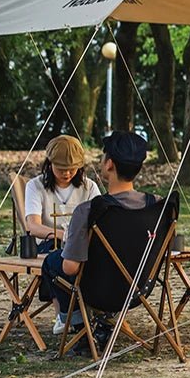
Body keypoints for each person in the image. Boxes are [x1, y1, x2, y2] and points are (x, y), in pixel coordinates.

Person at [41, 130, 157, 339]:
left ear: (109, 164)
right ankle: (105, 322)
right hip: (139, 289)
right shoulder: (158, 206)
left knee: (52, 262)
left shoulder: (89, 210)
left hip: (99, 290)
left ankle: (79, 327)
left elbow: (70, 267)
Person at [25, 135, 100, 260]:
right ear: (50, 164)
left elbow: (99, 222)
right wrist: (63, 235)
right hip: (47, 246)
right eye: (61, 169)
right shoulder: (35, 186)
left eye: (72, 169)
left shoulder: (89, 187)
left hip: (82, 247)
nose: (66, 173)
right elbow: (33, 226)